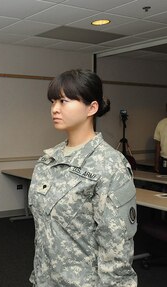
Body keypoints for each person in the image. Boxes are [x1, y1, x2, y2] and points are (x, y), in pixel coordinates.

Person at [28, 69, 137, 286]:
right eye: (52, 102)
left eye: (63, 101)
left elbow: (116, 250)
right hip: (45, 279)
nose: (55, 109)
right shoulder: (48, 160)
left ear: (92, 107)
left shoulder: (110, 165)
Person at [154, 107, 167, 174]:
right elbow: (157, 146)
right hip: (164, 160)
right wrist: (156, 163)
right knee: (163, 182)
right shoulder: (161, 124)